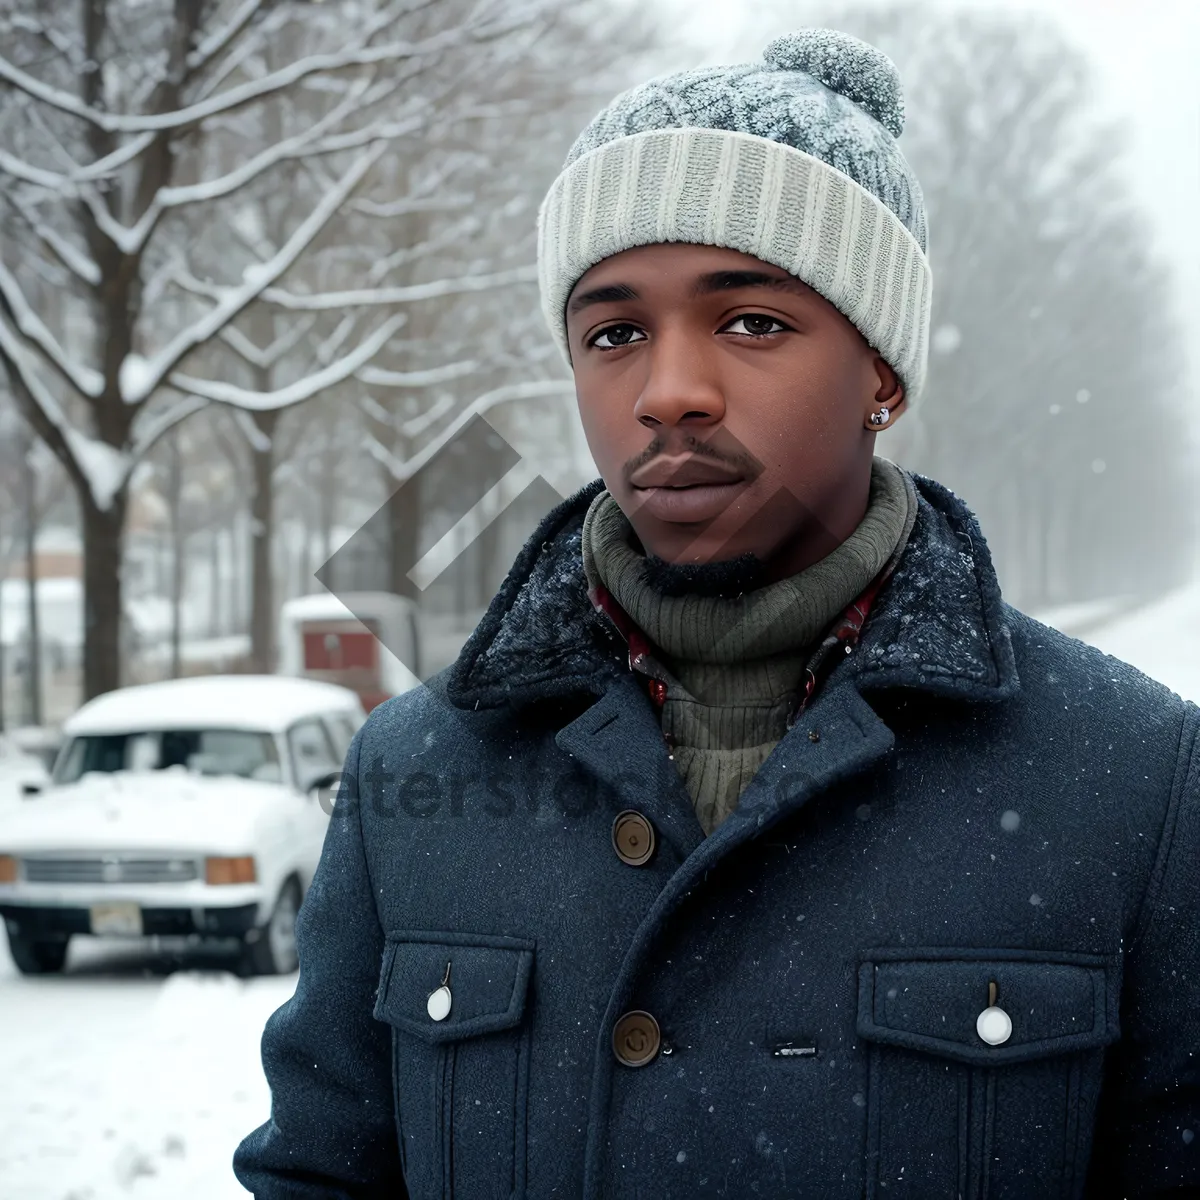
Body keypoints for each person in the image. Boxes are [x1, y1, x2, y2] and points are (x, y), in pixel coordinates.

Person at [233, 28, 1200, 1198]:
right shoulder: (415, 767)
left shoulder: (1136, 777)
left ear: (881, 373)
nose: (668, 392)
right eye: (614, 332)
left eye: (751, 322)